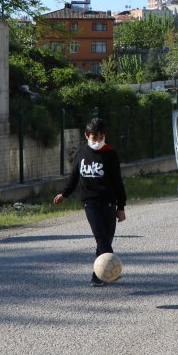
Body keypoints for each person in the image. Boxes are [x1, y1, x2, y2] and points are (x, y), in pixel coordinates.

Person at [53, 118, 127, 287]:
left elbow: (118, 182)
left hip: (109, 203)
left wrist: (121, 207)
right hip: (90, 203)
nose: (98, 141)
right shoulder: (82, 153)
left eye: (101, 137)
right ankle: (112, 269)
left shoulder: (110, 154)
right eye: (94, 137)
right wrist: (64, 194)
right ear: (87, 135)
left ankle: (97, 275)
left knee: (106, 238)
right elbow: (74, 177)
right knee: (100, 236)